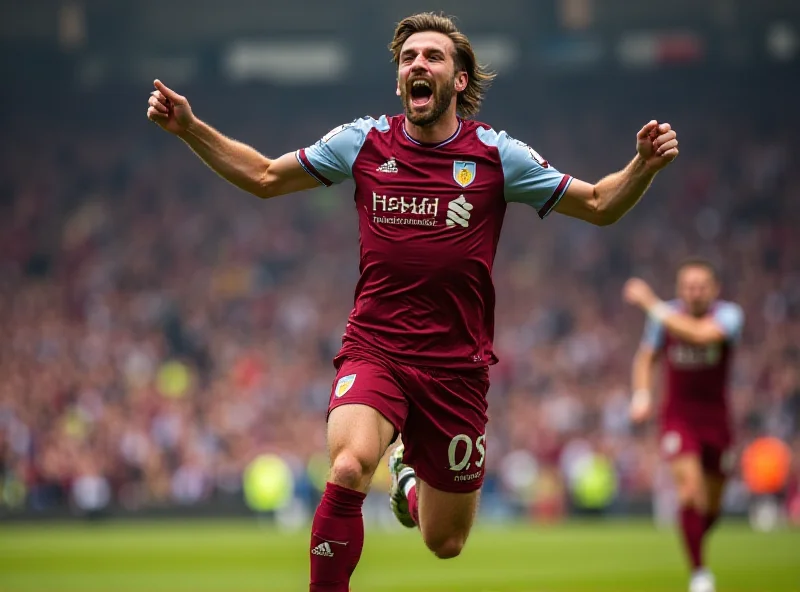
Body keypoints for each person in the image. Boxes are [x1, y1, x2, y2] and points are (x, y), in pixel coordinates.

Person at [147, 12, 679, 592]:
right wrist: (191, 128)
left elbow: (600, 203)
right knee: (348, 466)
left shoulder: (498, 156)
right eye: (408, 58)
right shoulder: (364, 142)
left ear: (458, 80)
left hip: (456, 368)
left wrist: (642, 167)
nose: (417, 64)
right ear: (400, 79)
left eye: (433, 57)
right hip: (375, 346)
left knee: (443, 542)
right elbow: (265, 177)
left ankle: (406, 481)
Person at [623, 260, 744, 592]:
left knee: (713, 508)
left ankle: (691, 538)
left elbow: (702, 336)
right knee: (690, 491)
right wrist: (642, 395)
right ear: (680, 290)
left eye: (701, 285)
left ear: (714, 289)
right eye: (688, 286)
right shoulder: (664, 318)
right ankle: (699, 573)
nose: (695, 292)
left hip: (718, 421)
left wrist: (650, 303)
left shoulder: (729, 316)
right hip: (678, 417)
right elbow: (646, 357)